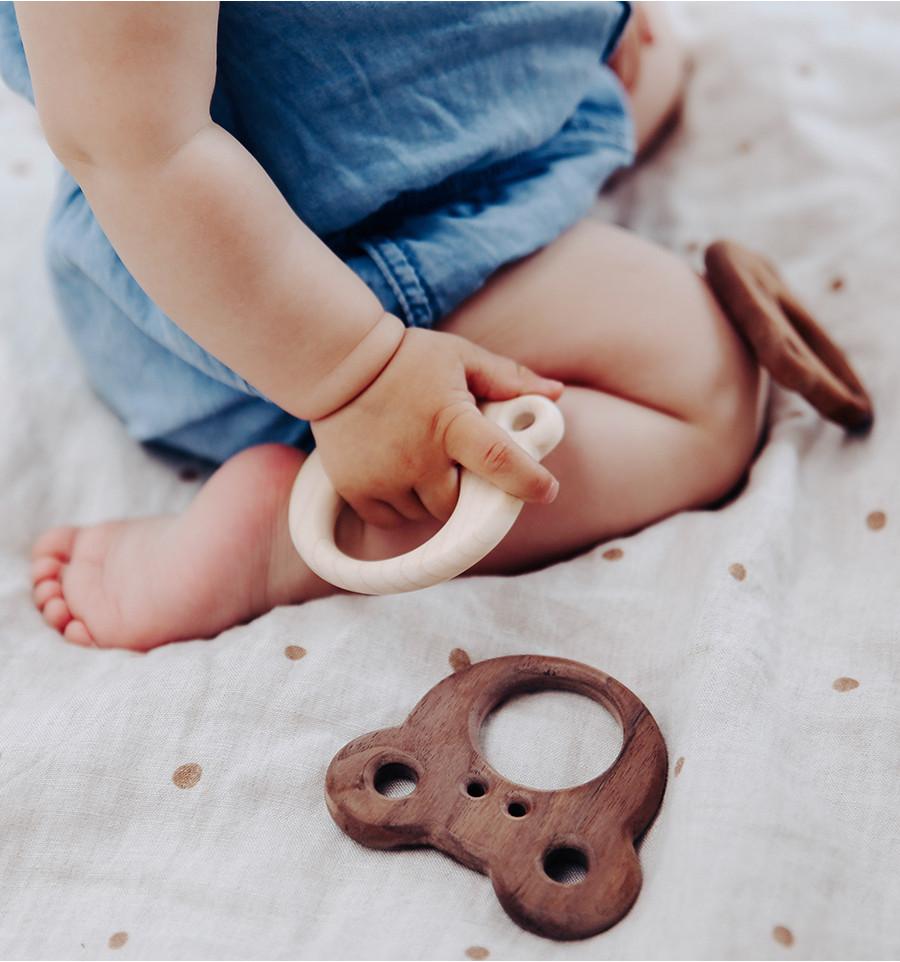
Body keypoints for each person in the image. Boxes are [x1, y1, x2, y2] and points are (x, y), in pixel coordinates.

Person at [0, 3, 764, 650]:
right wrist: (359, 375)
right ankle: (299, 539)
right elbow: (137, 147)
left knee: (655, 72)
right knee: (702, 392)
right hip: (292, 293)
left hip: (484, 112)